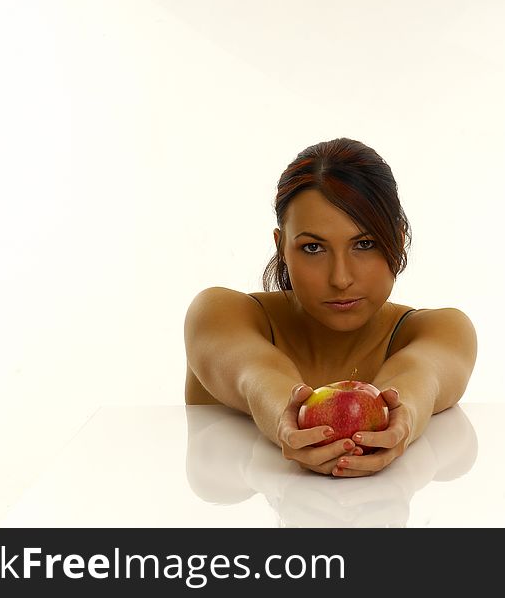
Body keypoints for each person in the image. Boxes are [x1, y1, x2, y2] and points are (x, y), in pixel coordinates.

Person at [183, 137, 477, 478]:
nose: (340, 278)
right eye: (313, 248)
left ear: (397, 240)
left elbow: (420, 379)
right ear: (281, 247)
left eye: (364, 244)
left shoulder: (442, 330)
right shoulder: (220, 315)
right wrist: (286, 419)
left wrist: (402, 421)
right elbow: (256, 376)